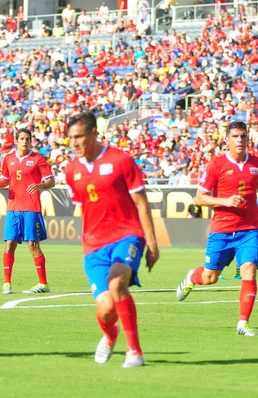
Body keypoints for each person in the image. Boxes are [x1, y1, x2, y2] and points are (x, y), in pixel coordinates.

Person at [64, 112, 159, 368]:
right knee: (106, 308)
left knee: (117, 284)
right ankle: (110, 334)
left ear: (94, 133)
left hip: (126, 235)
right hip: (94, 246)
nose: (74, 143)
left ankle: (134, 352)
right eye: (71, 138)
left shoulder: (121, 160)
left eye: (79, 137)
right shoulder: (71, 170)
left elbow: (142, 204)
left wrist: (152, 243)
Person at [176, 121, 258, 336]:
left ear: (248, 138)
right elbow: (199, 198)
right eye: (235, 136)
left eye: (243, 136)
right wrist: (225, 202)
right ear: (226, 140)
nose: (240, 140)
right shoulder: (216, 165)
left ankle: (243, 324)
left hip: (250, 228)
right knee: (209, 277)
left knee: (249, 269)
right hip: (222, 230)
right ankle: (191, 277)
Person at [0, 128, 54, 294]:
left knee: (33, 244)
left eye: (27, 138)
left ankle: (43, 284)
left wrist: (41, 185)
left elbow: (51, 181)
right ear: (16, 140)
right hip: (13, 208)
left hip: (31, 208)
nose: (25, 141)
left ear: (31, 140)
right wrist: (0, 184)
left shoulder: (38, 159)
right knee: (10, 243)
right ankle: (7, 283)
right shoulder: (8, 159)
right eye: (22, 138)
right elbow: (5, 179)